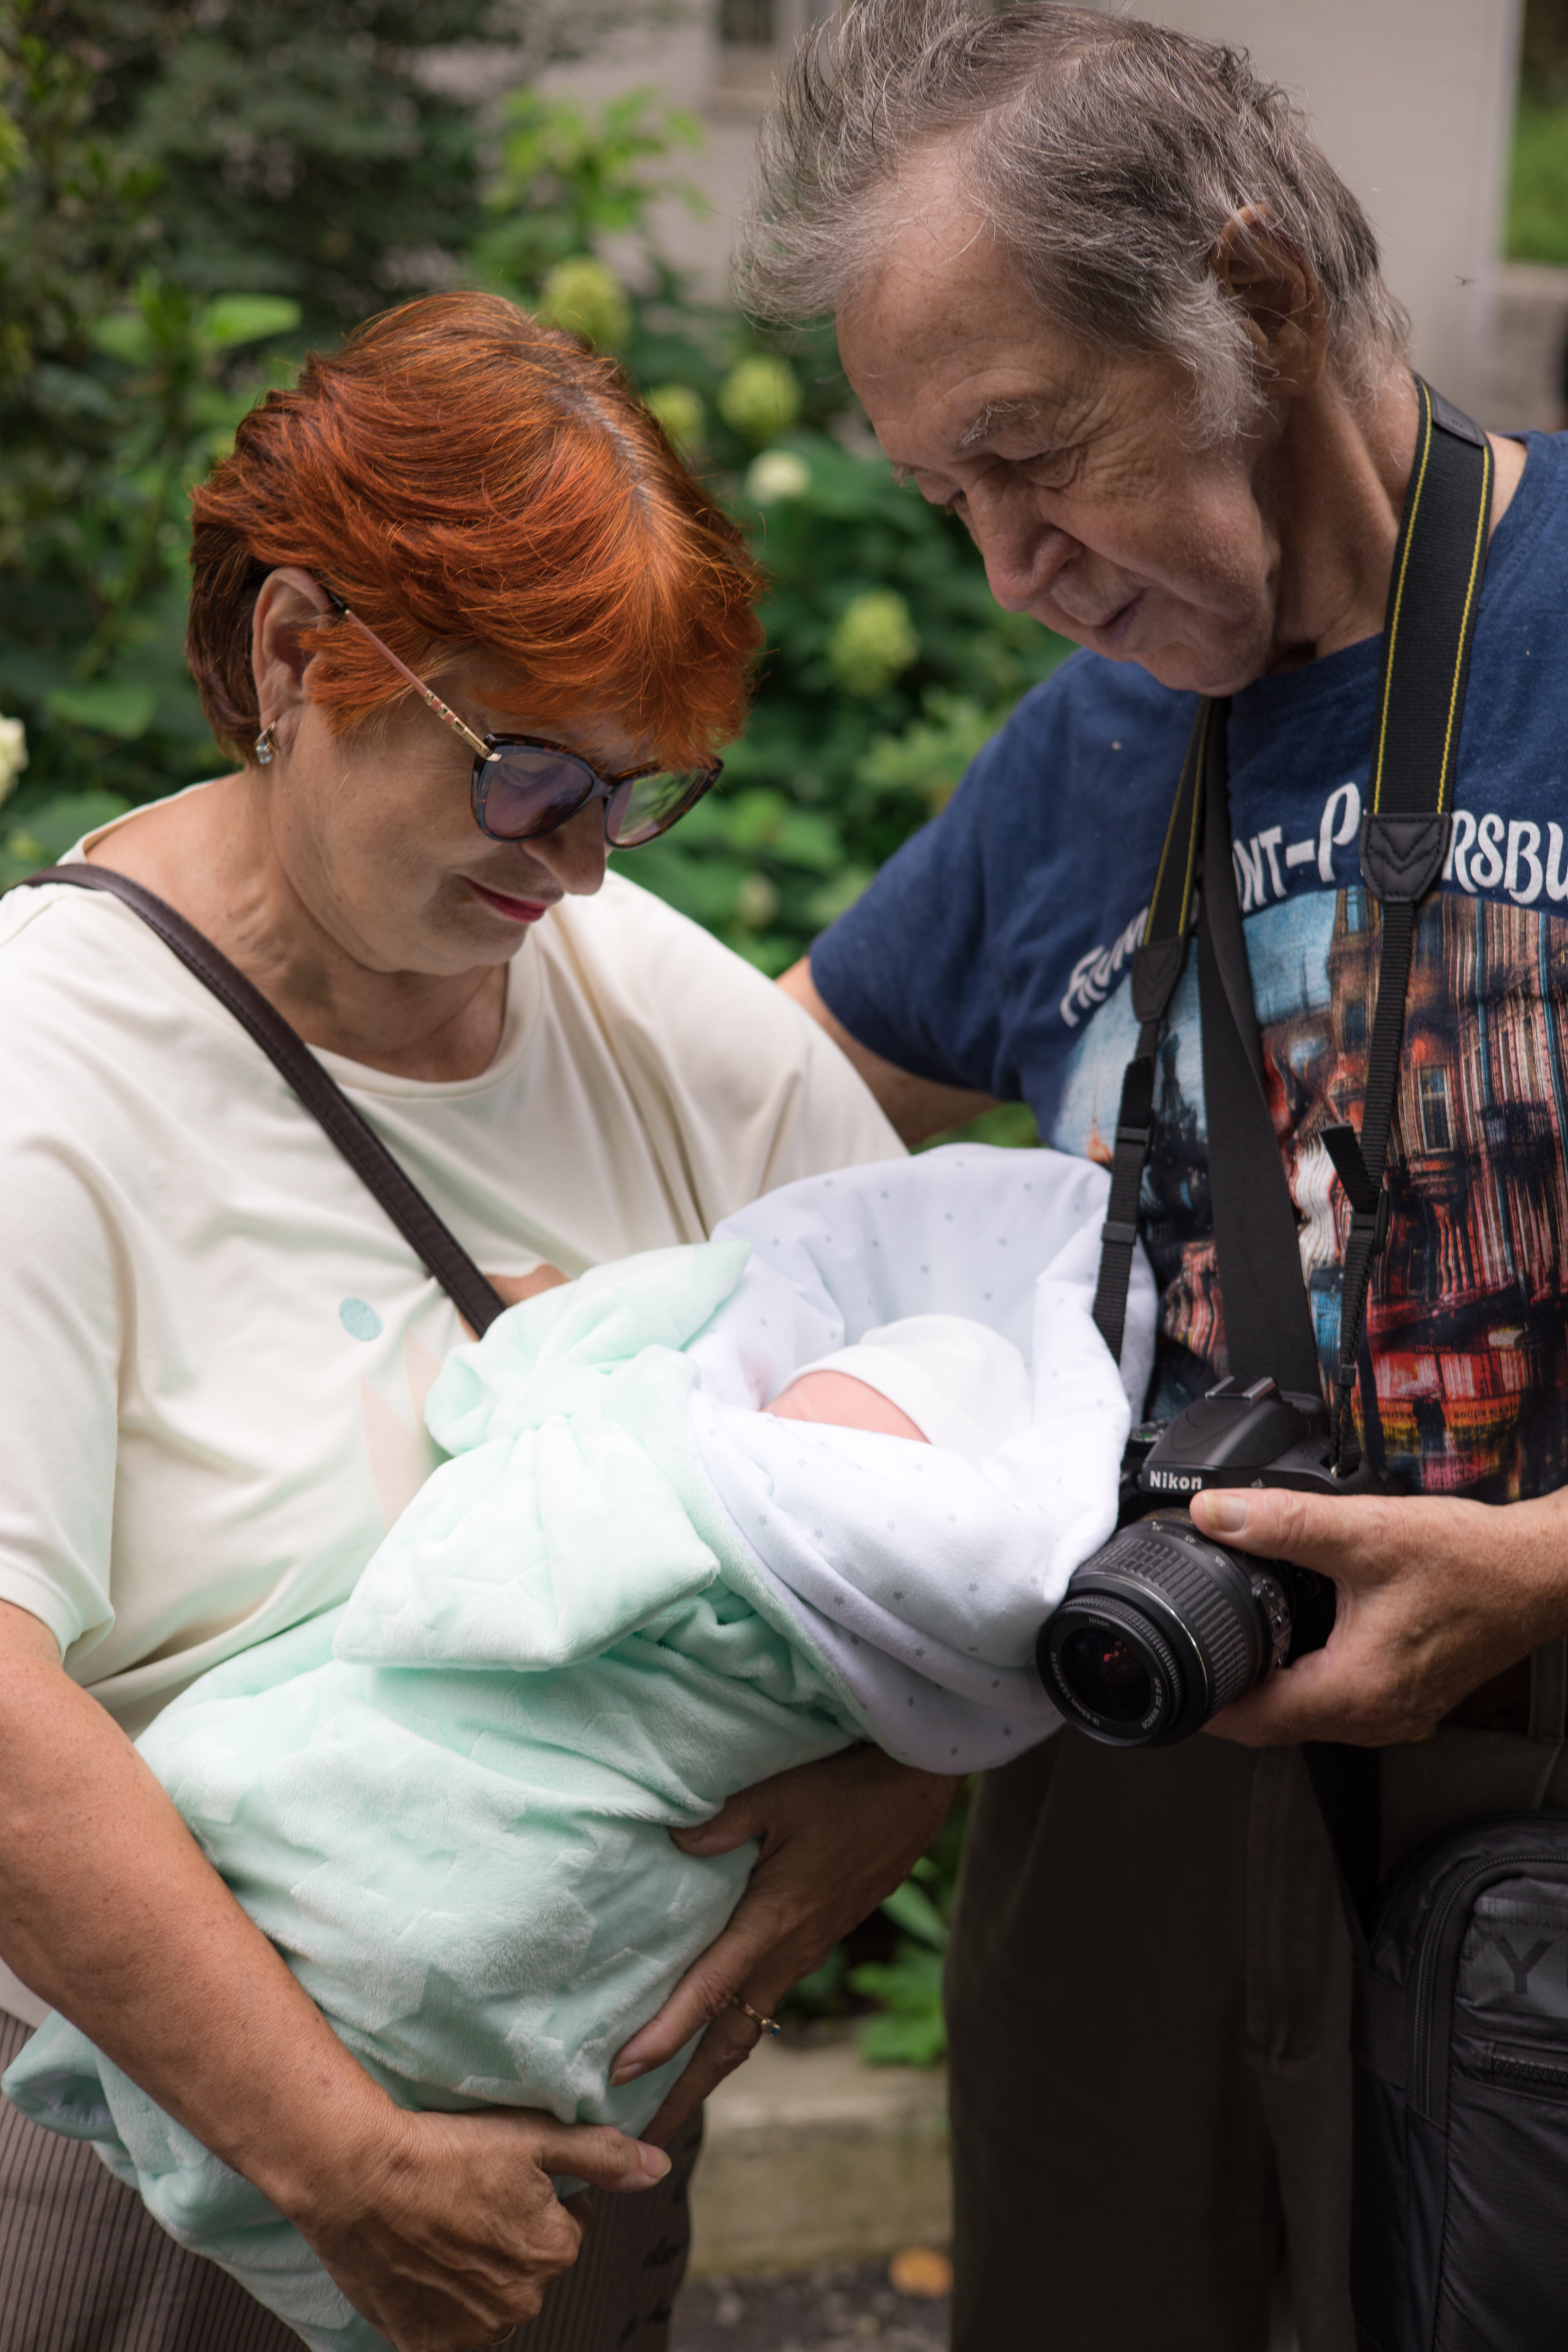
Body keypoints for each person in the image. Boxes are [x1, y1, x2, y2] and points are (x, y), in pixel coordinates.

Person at [707, 3, 1568, 2346]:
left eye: (1032, 454)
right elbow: (736, 1138)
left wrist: (1540, 1566)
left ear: (1259, 302)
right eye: (945, 504)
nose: (1008, 568)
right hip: (1135, 1801)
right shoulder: (1075, 760)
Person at [0, 288, 964, 2352]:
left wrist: (878, 1803)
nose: (587, 870)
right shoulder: (48, 1071)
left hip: (566, 2147)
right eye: (529, 775)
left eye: (640, 797)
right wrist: (337, 2157)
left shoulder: (668, 1025)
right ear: (292, 650)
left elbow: (977, 1481)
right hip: (149, 2151)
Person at [9, 1141, 1139, 2352]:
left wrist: (891, 1765)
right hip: (152, 1977)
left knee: (463, 1960)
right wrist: (336, 2150)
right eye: (817, 1402)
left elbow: (955, 1684)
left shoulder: (702, 1056)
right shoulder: (52, 1083)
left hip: (561, 2023)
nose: (809, 1437)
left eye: (863, 1443)